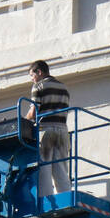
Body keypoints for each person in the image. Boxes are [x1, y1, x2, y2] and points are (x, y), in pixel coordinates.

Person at [26, 60, 72, 198]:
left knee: (44, 169)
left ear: (39, 72)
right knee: (61, 169)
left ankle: (45, 200)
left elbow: (33, 112)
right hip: (63, 130)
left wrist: (22, 121)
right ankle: (66, 198)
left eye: (32, 75)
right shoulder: (64, 87)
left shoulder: (38, 86)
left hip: (45, 130)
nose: (32, 79)